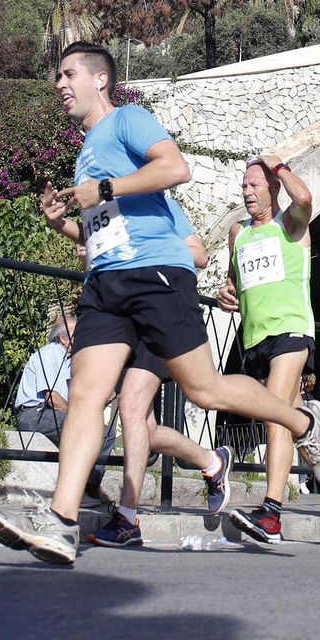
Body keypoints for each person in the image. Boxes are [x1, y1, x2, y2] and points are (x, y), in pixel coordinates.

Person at [0, 42, 320, 566]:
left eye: (68, 74)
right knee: (87, 393)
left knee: (206, 389)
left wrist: (103, 188)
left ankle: (305, 426)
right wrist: (61, 220)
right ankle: (62, 522)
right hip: (105, 283)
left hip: (153, 274)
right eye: (57, 77)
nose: (60, 85)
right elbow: (100, 236)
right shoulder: (85, 153)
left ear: (99, 80)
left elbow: (175, 169)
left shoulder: (127, 120)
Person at [220, 155, 320, 545]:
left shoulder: (291, 224)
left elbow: (306, 196)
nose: (247, 192)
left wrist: (278, 166)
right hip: (255, 339)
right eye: (244, 186)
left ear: (273, 188)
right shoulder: (238, 232)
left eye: (254, 185)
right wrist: (227, 293)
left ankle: (272, 513)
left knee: (274, 413)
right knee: (294, 424)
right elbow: (234, 280)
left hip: (292, 332)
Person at [87, 202, 233, 547]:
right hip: (121, 318)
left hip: (158, 311)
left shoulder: (158, 204)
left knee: (132, 406)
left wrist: (148, 246)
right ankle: (211, 460)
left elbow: (199, 255)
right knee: (144, 429)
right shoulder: (103, 212)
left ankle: (127, 518)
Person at [11, 315, 117, 507]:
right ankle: (85, 490)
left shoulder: (71, 360)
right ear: (63, 338)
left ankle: (90, 487)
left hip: (52, 414)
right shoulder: (50, 354)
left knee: (106, 433)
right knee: (87, 429)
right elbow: (52, 399)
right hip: (35, 413)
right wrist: (81, 414)